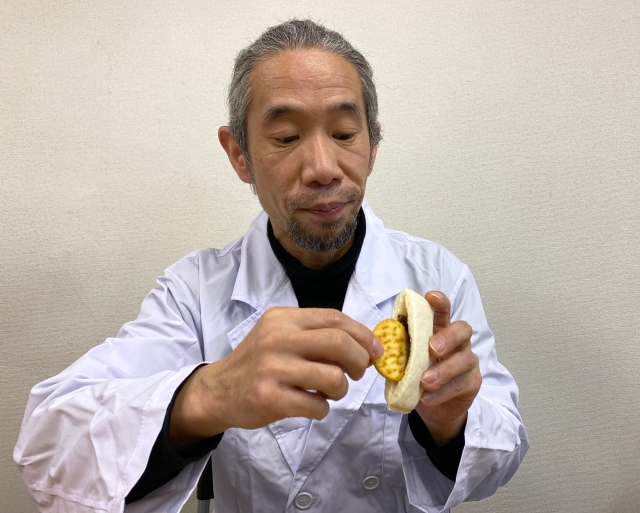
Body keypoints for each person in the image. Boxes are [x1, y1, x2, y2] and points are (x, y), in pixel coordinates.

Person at [14, 19, 528, 513]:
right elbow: (47, 449)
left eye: (344, 133)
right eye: (286, 137)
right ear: (240, 155)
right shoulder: (194, 291)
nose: (323, 168)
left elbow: (503, 454)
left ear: (373, 145)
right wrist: (210, 393)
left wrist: (449, 425)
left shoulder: (438, 277)